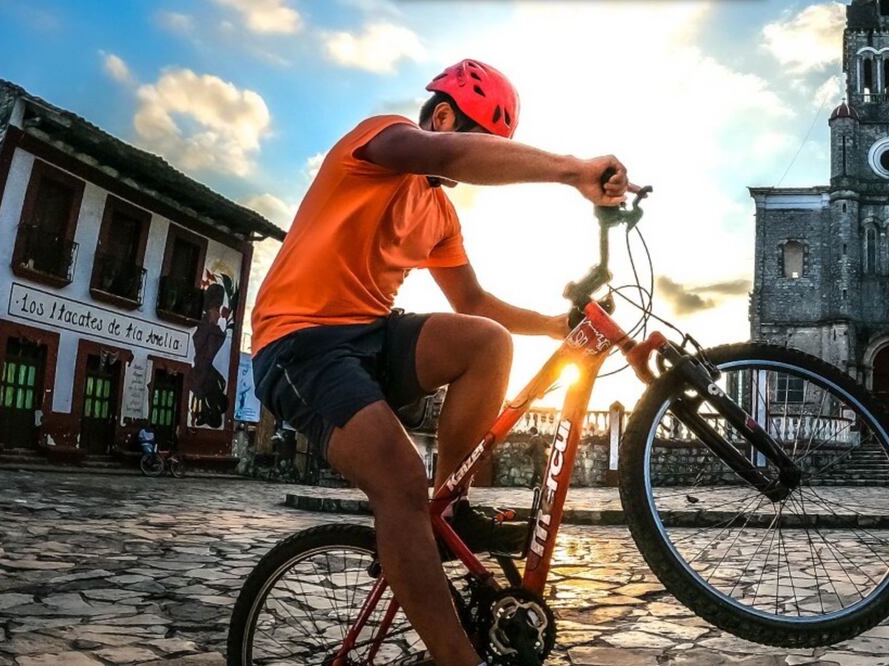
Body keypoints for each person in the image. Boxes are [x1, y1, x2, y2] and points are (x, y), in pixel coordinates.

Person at [251, 59, 634, 666]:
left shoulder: (439, 215)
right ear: (445, 116)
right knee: (400, 479)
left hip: (370, 334)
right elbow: (452, 155)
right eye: (481, 141)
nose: (473, 165)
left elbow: (474, 302)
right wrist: (571, 170)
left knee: (487, 341)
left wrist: (557, 325)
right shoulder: (380, 140)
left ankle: (447, 508)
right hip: (299, 341)